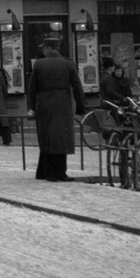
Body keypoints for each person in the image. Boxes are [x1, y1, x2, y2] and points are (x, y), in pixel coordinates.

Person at [27, 36, 85, 182]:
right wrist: (80, 106)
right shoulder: (69, 64)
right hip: (63, 104)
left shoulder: (39, 65)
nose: (43, 51)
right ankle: (60, 172)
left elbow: (32, 88)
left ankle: (46, 172)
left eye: (44, 48)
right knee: (61, 138)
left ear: (49, 48)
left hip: (44, 104)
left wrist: (31, 107)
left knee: (47, 137)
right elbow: (77, 87)